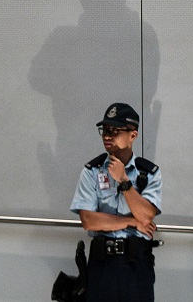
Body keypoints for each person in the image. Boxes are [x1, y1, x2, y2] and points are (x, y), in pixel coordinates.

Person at [70, 102, 162, 302]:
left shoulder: (148, 173)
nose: (107, 136)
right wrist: (131, 222)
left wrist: (124, 180)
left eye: (115, 130)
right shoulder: (92, 171)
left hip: (136, 262)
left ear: (133, 135)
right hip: (101, 263)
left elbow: (147, 216)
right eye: (104, 130)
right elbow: (88, 220)